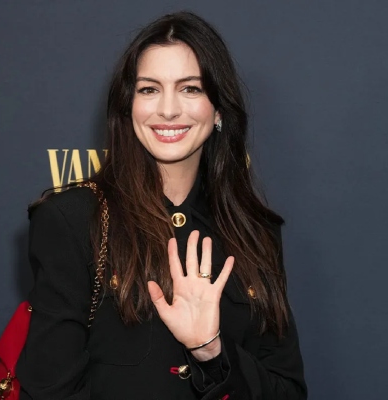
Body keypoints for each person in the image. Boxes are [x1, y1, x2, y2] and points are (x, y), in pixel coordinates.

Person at [16, 11, 307, 400]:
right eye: (149, 89)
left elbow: (287, 391)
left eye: (191, 89)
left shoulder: (255, 231)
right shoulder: (73, 219)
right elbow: (49, 390)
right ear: (128, 106)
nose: (168, 109)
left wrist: (212, 350)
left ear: (219, 109)